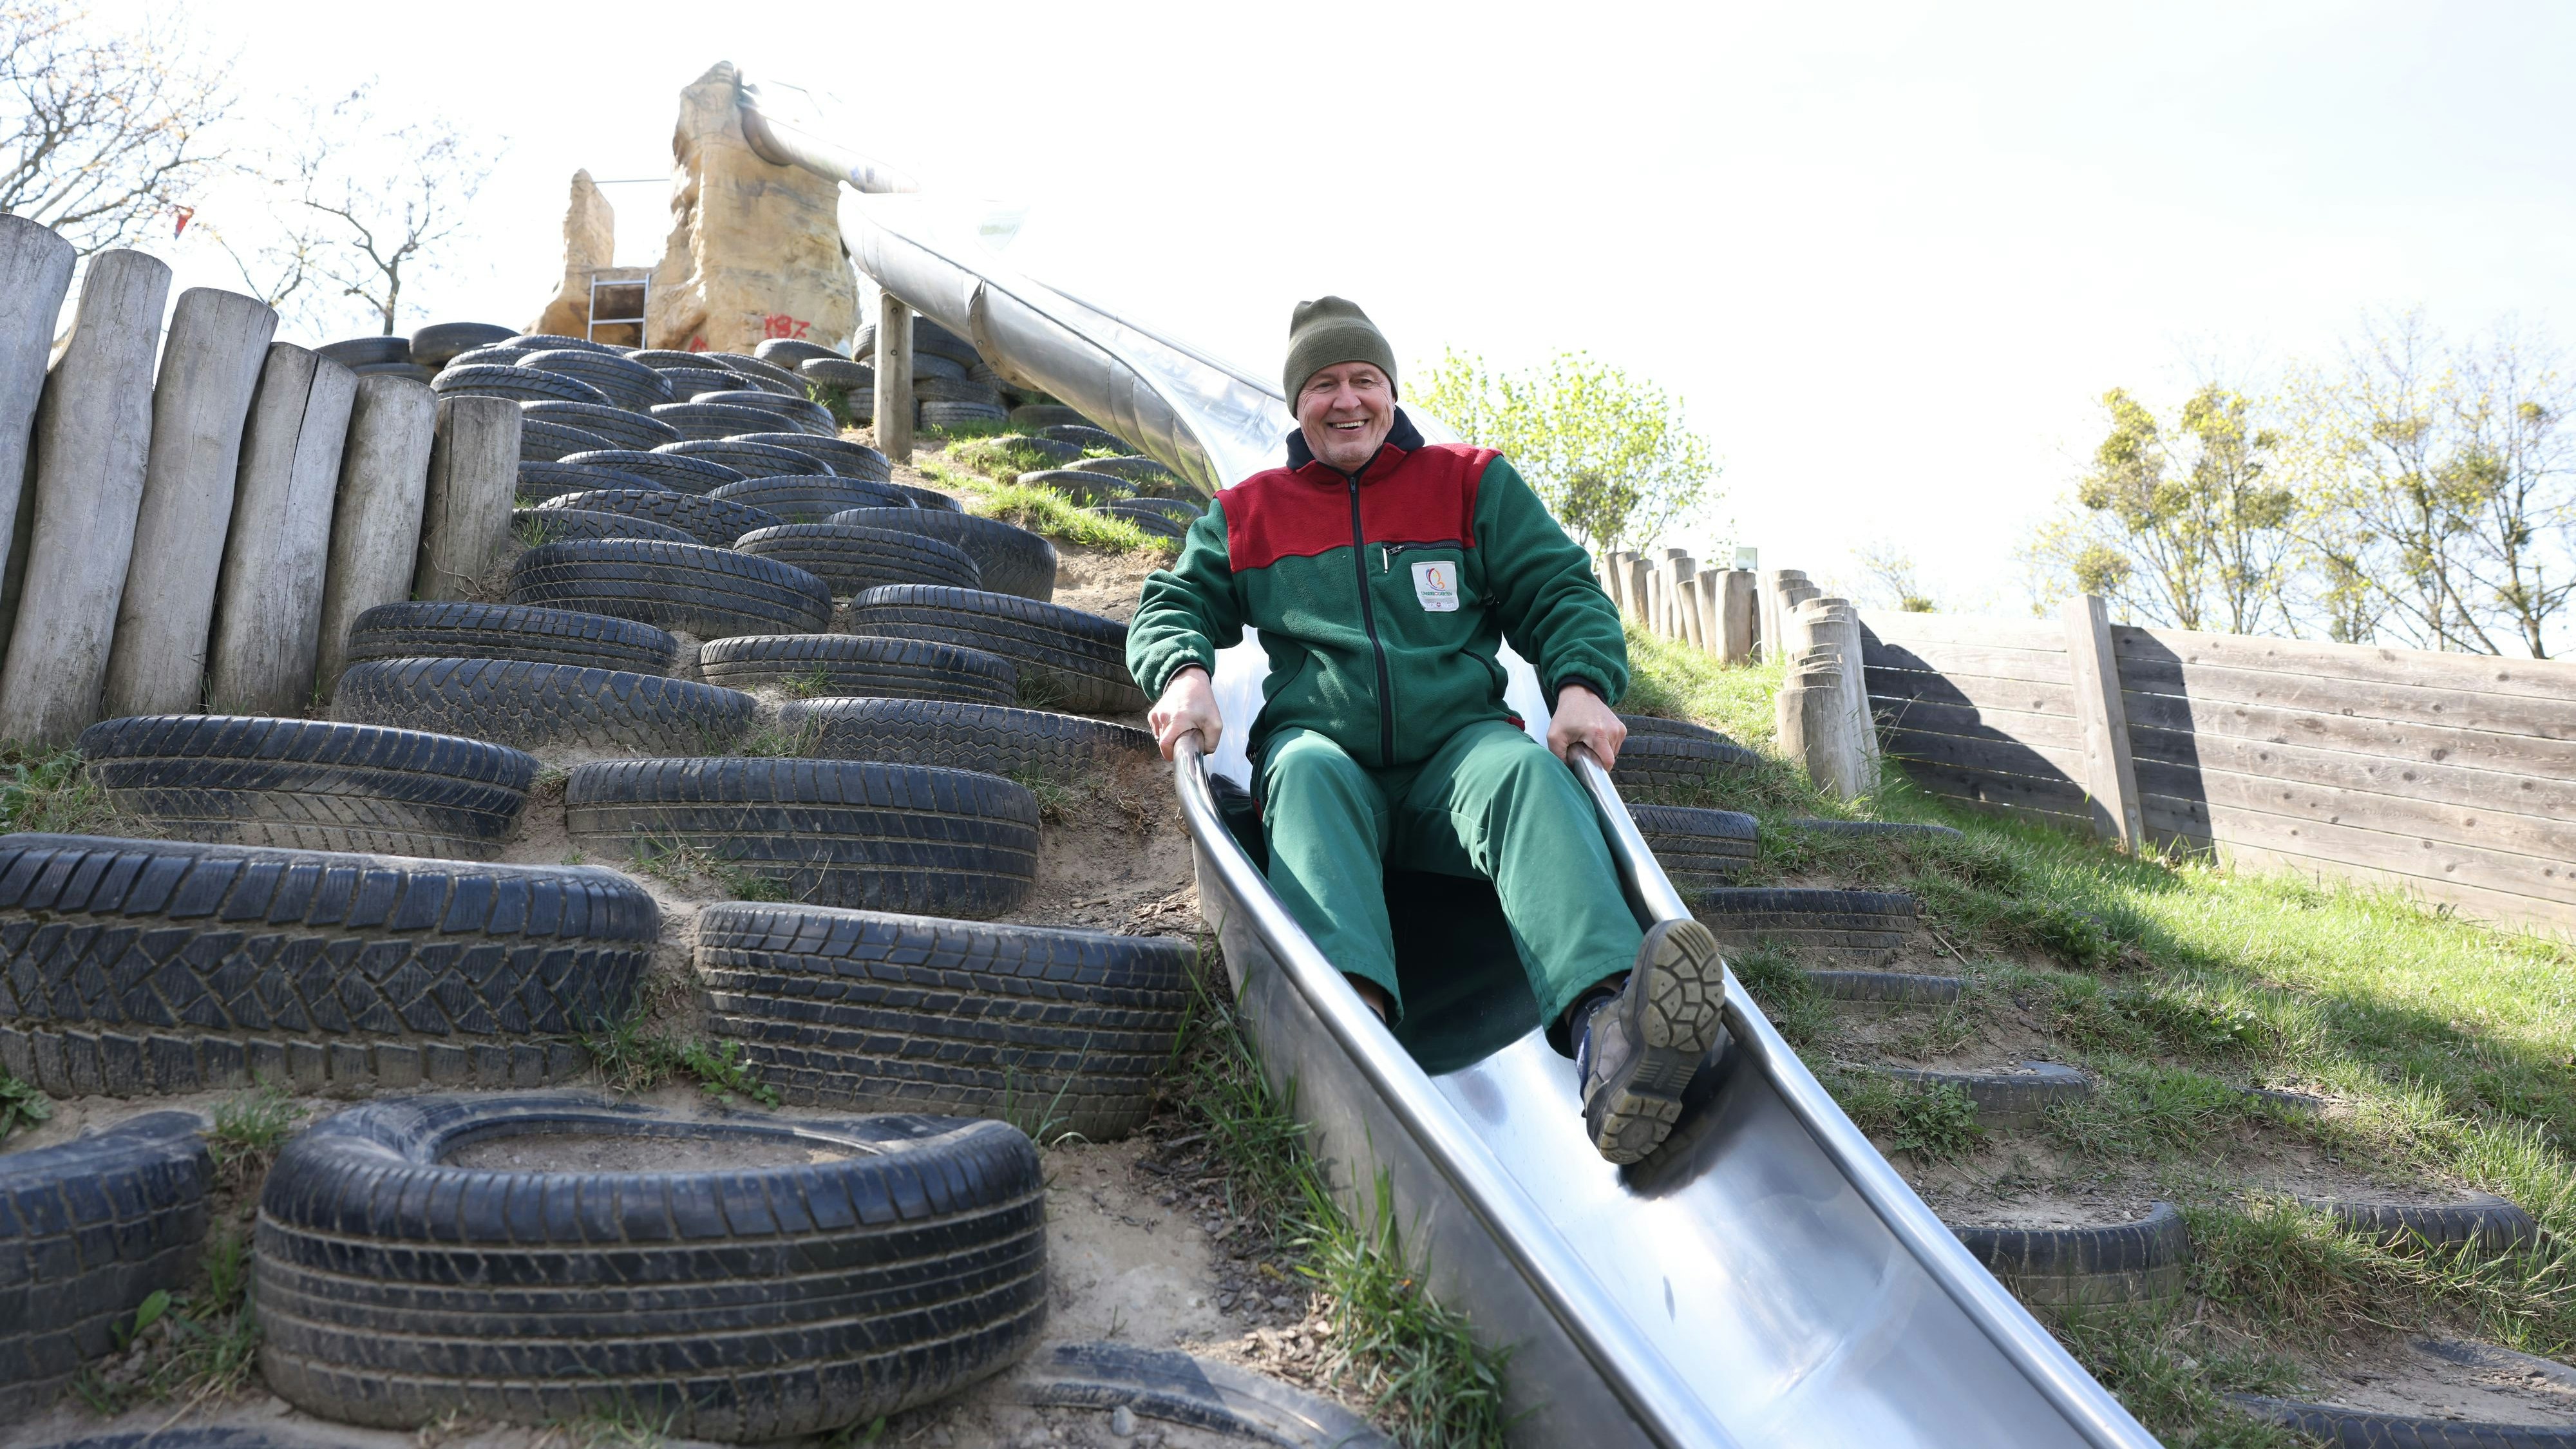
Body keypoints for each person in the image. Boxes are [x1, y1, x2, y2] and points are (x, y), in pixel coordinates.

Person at [1126, 296, 1723, 1164]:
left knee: (1522, 771)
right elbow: (1172, 600)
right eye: (1324, 384)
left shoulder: (1469, 482)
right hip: (1328, 751)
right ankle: (1353, 1036)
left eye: (1364, 379)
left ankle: (1612, 1034)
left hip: (1457, 754)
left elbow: (1560, 589)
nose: (1347, 400)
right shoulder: (1252, 512)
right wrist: (1184, 672)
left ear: (1391, 391)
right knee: (1305, 772)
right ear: (1297, 404)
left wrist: (1582, 684)